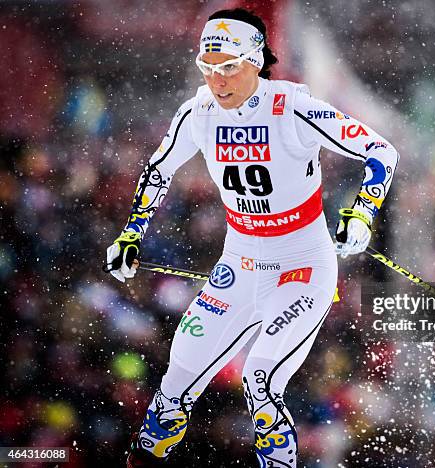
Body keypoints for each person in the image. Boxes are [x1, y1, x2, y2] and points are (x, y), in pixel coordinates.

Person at [106, 8, 399, 468]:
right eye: (208, 67)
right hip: (239, 263)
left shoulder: (293, 106)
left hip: (303, 265)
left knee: (260, 380)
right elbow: (160, 169)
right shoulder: (198, 111)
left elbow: (381, 150)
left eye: (229, 68)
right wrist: (130, 235)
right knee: (176, 378)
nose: (217, 80)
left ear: (257, 60)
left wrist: (362, 213)